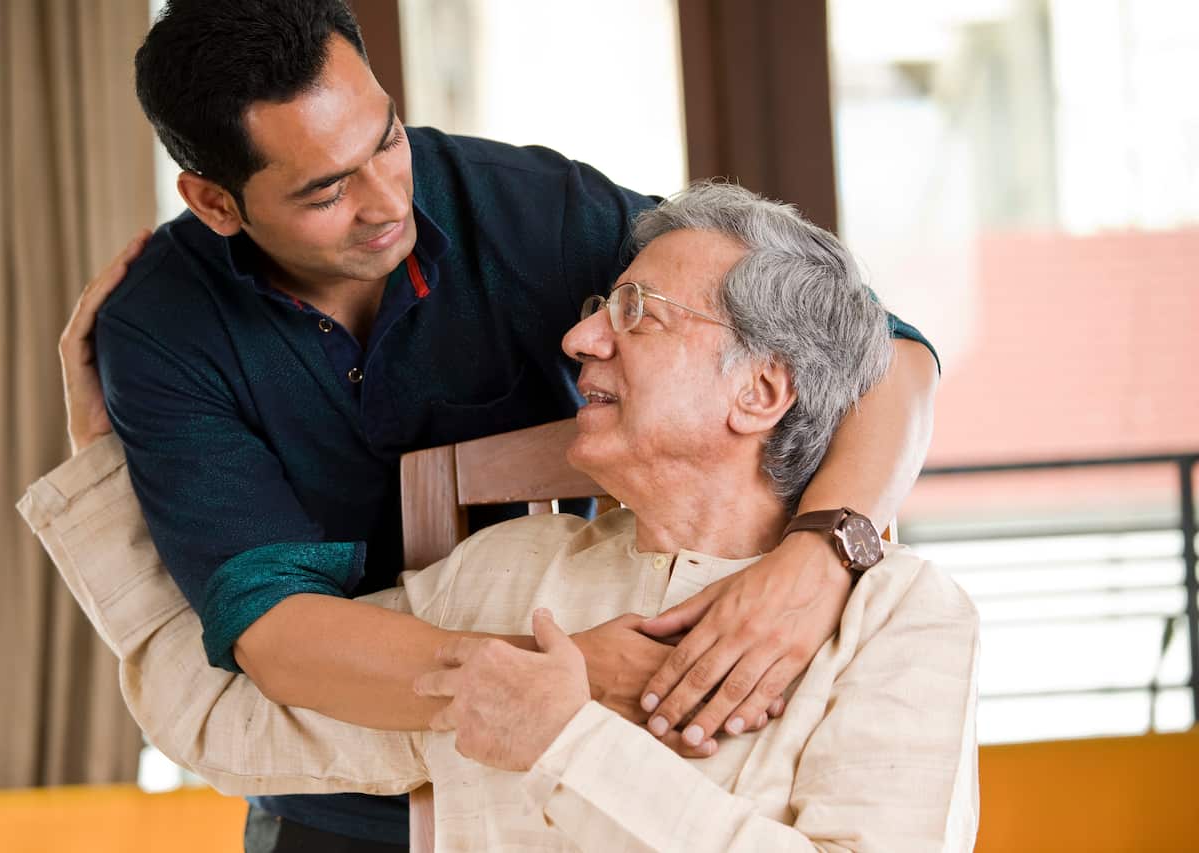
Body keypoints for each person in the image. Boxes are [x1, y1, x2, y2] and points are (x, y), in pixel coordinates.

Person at [52, 0, 940, 847]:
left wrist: (824, 553)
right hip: (340, 781)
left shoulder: (527, 208)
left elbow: (874, 350)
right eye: (327, 190)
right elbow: (274, 640)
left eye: (388, 139)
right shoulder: (163, 329)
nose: (388, 201)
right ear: (214, 203)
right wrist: (560, 679)